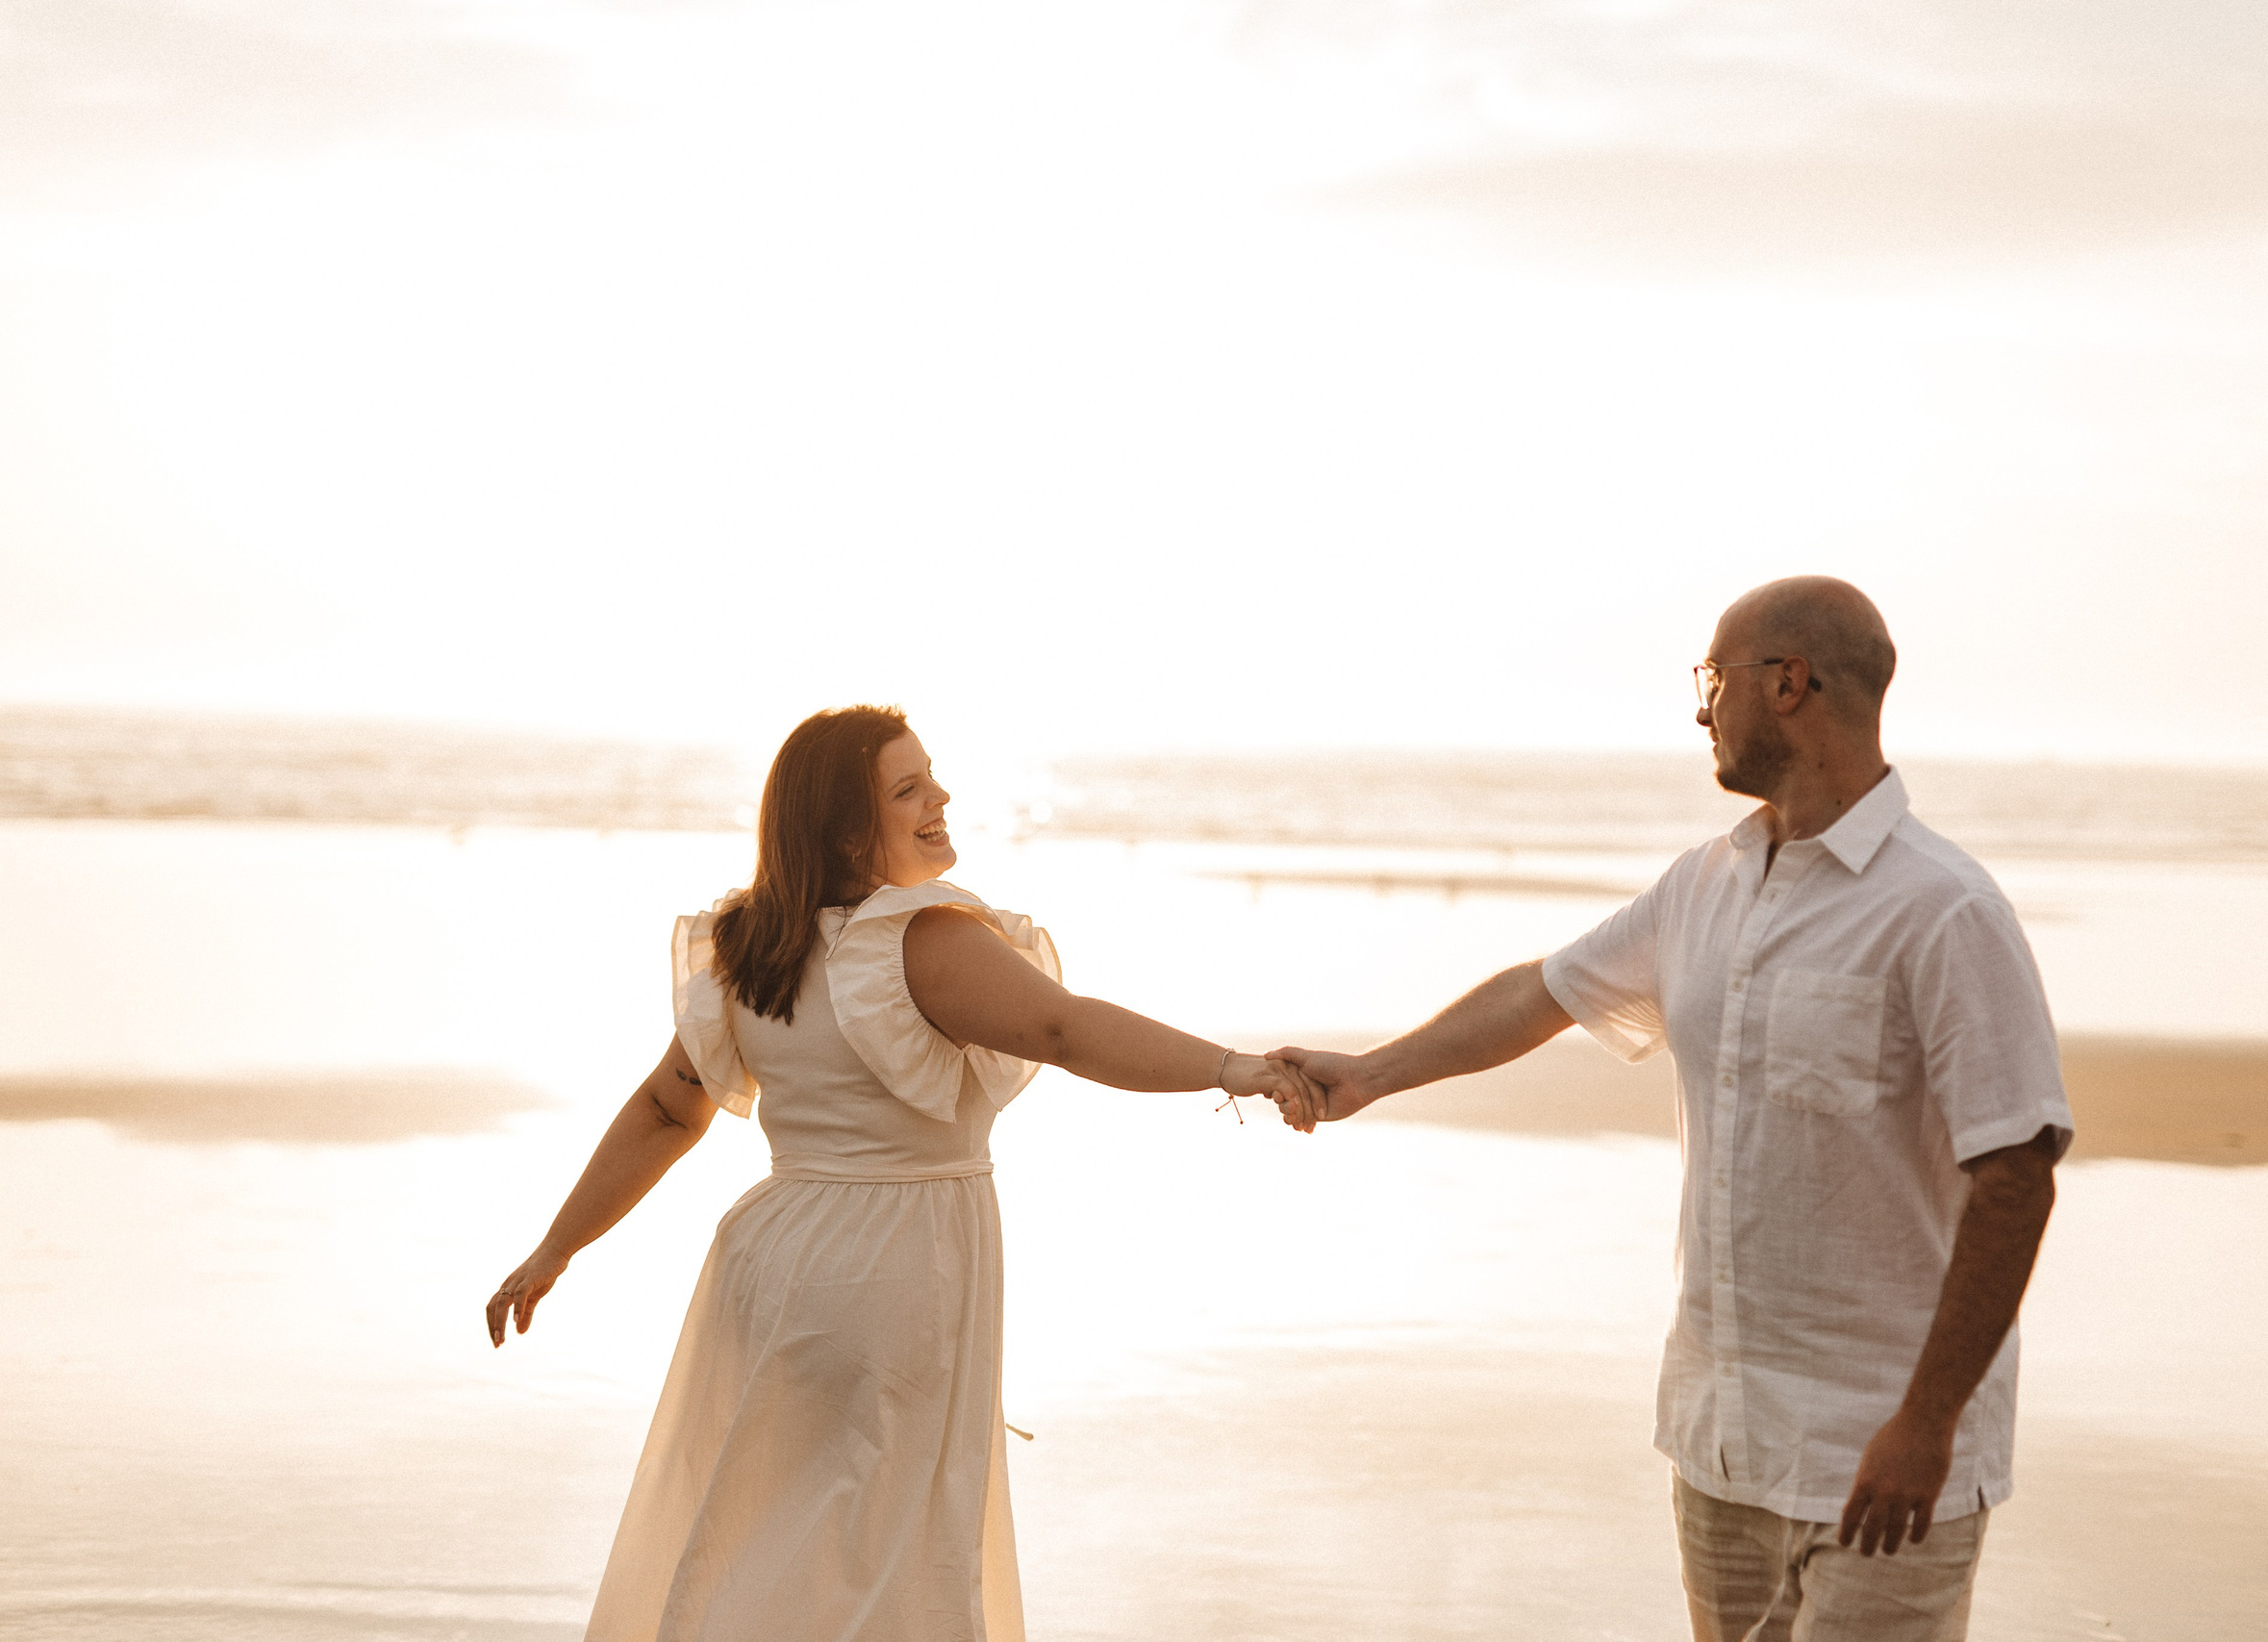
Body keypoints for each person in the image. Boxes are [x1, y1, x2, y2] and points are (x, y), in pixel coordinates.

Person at [1271, 578, 2073, 1642]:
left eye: (1713, 677)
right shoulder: (1705, 884)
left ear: (1787, 683)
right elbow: (1541, 991)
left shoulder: (1943, 909)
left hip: (1880, 1458)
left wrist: (1927, 1425)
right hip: (1721, 1445)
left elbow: (2015, 1176)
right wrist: (1373, 1074)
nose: (1701, 709)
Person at [485, 705, 1308, 1642]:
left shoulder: (754, 945)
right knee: (888, 1557)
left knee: (763, 1534)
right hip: (891, 1269)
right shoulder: (921, 939)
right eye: (909, 787)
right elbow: (1063, 1031)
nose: (940, 797)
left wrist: (555, 1248)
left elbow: (668, 1110)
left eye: (933, 778)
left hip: (773, 1263)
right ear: (845, 828)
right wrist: (1232, 1068)